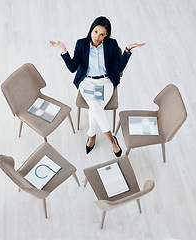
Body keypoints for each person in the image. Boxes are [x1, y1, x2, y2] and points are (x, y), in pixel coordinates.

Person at [50, 16, 145, 157]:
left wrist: (127, 51)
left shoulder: (112, 45)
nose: (97, 36)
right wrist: (64, 50)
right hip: (86, 82)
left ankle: (91, 136)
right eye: (95, 32)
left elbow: (118, 67)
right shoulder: (81, 43)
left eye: (102, 34)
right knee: (95, 106)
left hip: (106, 82)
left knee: (95, 108)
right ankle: (111, 139)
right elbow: (72, 68)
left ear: (106, 35)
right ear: (91, 30)